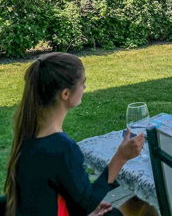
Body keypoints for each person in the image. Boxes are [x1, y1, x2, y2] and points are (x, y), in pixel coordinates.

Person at [3, 52, 157, 216]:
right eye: (82, 83)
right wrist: (121, 157)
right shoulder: (61, 148)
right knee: (146, 206)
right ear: (65, 94)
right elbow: (87, 202)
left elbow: (63, 195)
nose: (85, 88)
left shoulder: (28, 137)